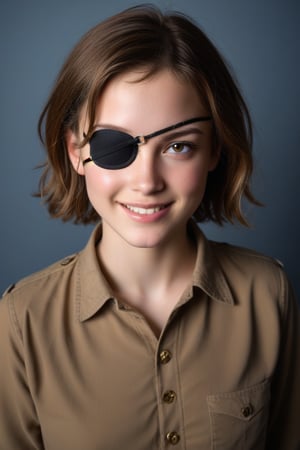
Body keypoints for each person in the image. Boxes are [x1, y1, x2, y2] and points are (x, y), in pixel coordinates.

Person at [0, 4, 299, 449]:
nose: (147, 182)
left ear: (215, 149)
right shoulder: (24, 319)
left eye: (178, 146)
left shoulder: (267, 293)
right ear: (75, 152)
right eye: (113, 145)